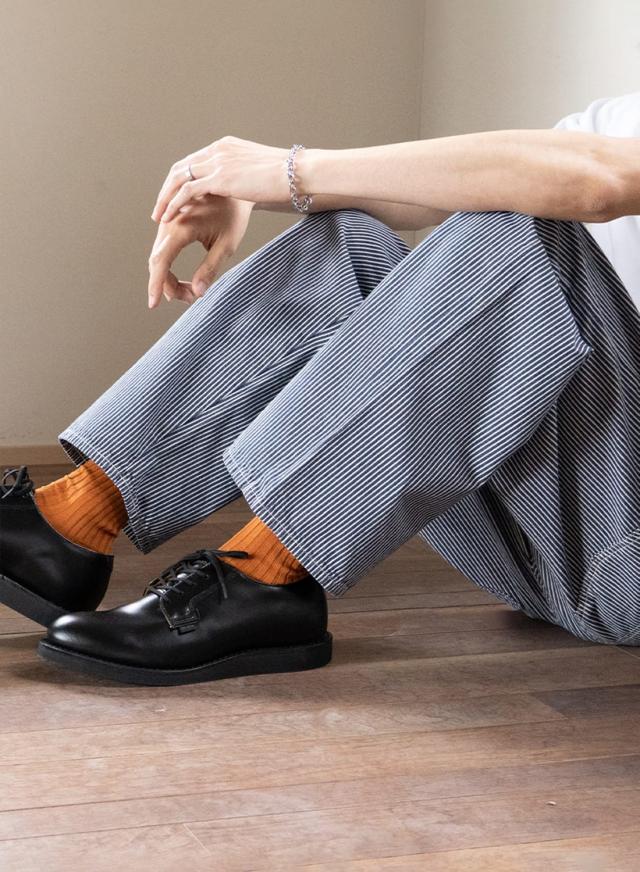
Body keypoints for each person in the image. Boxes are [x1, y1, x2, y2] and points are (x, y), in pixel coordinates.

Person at [3, 92, 640, 686]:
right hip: (553, 544)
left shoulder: (597, 161)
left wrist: (292, 168)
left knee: (517, 232)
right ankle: (69, 524)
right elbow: (453, 192)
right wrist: (250, 187)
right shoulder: (616, 117)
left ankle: (268, 575)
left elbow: (598, 183)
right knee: (351, 236)